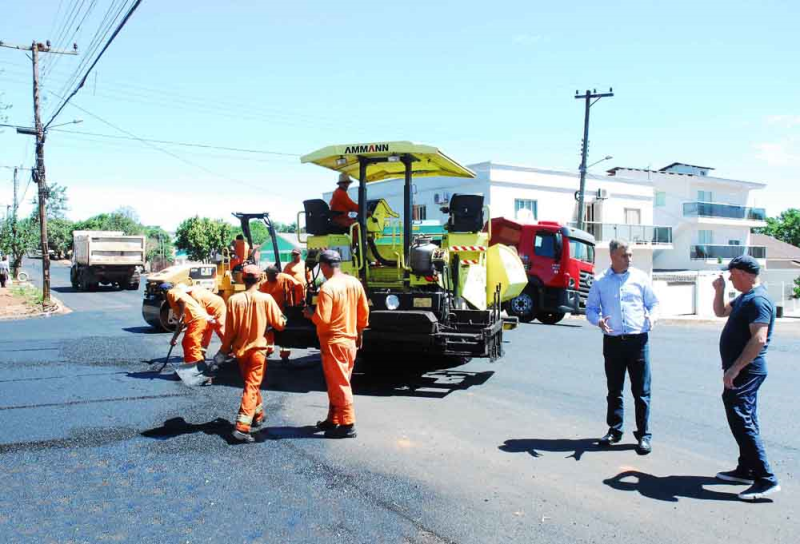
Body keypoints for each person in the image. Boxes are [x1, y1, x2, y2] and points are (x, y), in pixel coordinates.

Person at [712, 255, 780, 500]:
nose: (729, 278)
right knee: (746, 417)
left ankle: (766, 478)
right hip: (741, 369)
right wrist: (719, 291)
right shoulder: (744, 298)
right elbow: (720, 311)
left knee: (741, 418)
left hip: (747, 370)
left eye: (732, 274)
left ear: (745, 273)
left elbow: (759, 339)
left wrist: (735, 368)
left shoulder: (758, 300)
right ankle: (747, 469)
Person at [586, 239, 659, 455]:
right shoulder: (600, 282)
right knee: (614, 390)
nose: (629, 259)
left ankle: (643, 435)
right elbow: (590, 309)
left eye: (630, 255)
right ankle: (614, 430)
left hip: (638, 341)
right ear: (612, 257)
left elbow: (654, 303)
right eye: (624, 255)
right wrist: (598, 321)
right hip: (613, 341)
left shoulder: (640, 278)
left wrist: (652, 317)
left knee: (641, 391)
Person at [214, 264, 287, 443]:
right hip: (258, 350)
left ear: (242, 279)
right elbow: (280, 324)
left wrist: (222, 352)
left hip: (240, 351)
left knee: (250, 383)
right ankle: (242, 428)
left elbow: (229, 331)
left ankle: (258, 414)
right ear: (260, 278)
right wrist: (284, 319)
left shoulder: (233, 300)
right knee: (252, 386)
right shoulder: (266, 299)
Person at [302, 250, 369, 438]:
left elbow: (323, 319)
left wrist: (309, 314)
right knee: (338, 382)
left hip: (334, 342)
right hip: (349, 340)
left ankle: (348, 425)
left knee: (339, 384)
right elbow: (363, 313)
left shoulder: (328, 288)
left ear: (323, 266)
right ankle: (334, 419)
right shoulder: (354, 282)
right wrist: (360, 332)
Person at [164, 283, 216, 386]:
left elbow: (182, 303)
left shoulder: (171, 292)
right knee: (186, 342)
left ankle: (204, 374)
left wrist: (182, 314)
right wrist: (174, 338)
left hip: (198, 320)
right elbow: (181, 323)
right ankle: (189, 370)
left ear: (163, 292)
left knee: (192, 345)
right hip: (197, 320)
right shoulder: (177, 295)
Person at [187, 286, 226, 355]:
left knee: (220, 329)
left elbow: (201, 313)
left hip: (218, 306)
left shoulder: (195, 297)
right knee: (206, 329)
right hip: (209, 307)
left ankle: (230, 350)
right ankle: (202, 351)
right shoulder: (196, 289)